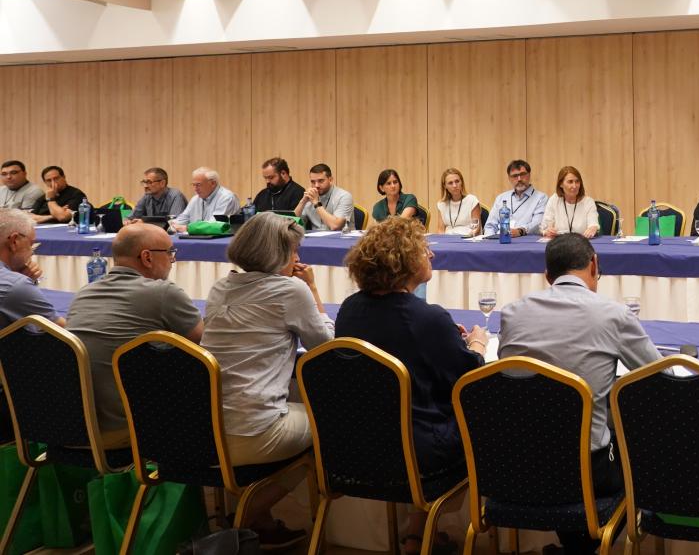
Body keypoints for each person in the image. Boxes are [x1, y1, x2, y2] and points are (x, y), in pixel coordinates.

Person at [497, 233, 660, 554]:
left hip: (515, 466)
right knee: (638, 444)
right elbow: (658, 378)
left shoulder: (512, 313)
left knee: (556, 428)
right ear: (594, 265)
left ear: (548, 276)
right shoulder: (612, 314)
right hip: (586, 471)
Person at [202, 213, 332, 548]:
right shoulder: (290, 289)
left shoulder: (220, 286)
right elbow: (325, 347)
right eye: (293, 252)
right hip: (254, 433)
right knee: (330, 428)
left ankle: (258, 523)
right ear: (277, 255)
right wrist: (313, 288)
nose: (298, 260)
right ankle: (243, 518)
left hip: (207, 430)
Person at [335, 217, 487, 480]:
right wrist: (477, 344)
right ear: (402, 260)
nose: (431, 254)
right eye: (422, 249)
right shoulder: (428, 318)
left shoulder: (348, 309)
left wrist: (444, 336)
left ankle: (415, 523)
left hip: (358, 445)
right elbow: (468, 380)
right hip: (420, 449)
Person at [66, 222, 203, 433]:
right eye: (170, 253)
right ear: (147, 257)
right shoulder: (162, 292)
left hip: (76, 424)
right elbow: (204, 344)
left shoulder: (84, 293)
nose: (172, 260)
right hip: (130, 425)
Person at [0, 208, 61, 325]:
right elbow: (64, 331)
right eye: (31, 244)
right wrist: (19, 281)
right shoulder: (14, 285)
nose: (31, 253)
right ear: (14, 241)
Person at [484, 160, 546, 237]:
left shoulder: (541, 198)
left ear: (529, 175)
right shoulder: (501, 198)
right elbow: (490, 225)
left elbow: (538, 224)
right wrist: (490, 240)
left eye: (522, 174)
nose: (519, 179)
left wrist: (520, 231)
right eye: (515, 176)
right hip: (500, 241)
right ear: (509, 178)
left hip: (525, 241)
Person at [170, 167, 240, 231]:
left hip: (220, 242)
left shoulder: (227, 198)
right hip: (196, 240)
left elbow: (213, 225)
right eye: (193, 185)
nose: (195, 189)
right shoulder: (195, 199)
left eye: (198, 185)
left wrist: (187, 228)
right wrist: (172, 225)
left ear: (213, 183)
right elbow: (182, 220)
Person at [540, 166, 599, 239]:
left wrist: (593, 228)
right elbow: (544, 227)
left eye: (577, 181)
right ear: (561, 184)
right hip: (559, 243)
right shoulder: (554, 200)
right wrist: (547, 231)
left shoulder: (588, 202)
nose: (574, 186)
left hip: (581, 244)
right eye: (570, 182)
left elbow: (593, 224)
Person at [296, 164, 353, 232]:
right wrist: (302, 202)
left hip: (339, 239)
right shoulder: (310, 197)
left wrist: (316, 203)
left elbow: (335, 226)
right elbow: (292, 224)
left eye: (321, 181)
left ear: (330, 180)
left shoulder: (344, 196)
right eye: (313, 182)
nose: (316, 185)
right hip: (315, 239)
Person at [435, 168, 481, 235]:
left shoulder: (472, 201)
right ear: (445, 186)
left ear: (461, 182)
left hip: (466, 240)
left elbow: (475, 228)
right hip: (447, 240)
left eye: (457, 181)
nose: (455, 185)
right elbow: (440, 229)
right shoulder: (441, 204)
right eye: (450, 183)